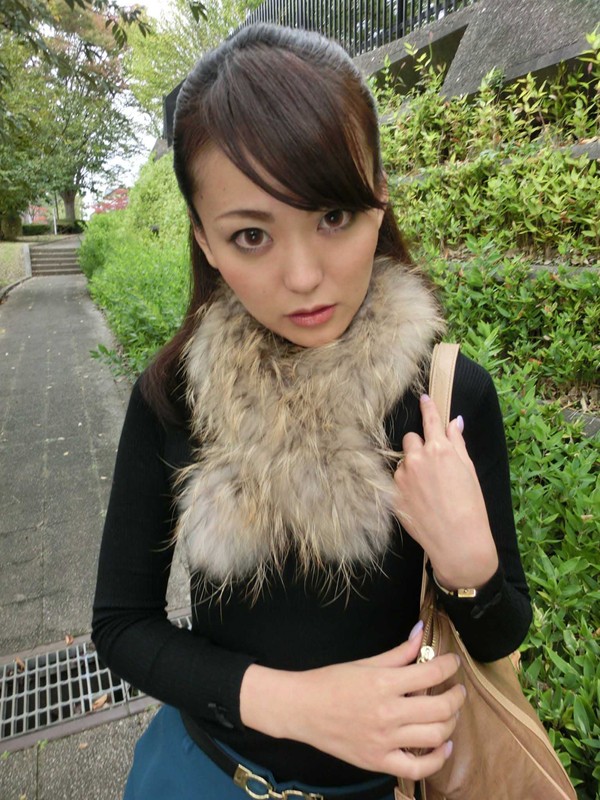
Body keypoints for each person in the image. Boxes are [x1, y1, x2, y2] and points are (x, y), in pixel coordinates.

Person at [92, 23, 532, 800]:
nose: (302, 277)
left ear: (378, 199)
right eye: (251, 235)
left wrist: (471, 568)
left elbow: (500, 634)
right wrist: (297, 705)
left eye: (332, 217)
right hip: (209, 775)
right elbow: (122, 625)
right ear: (205, 242)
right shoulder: (174, 397)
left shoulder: (447, 397)